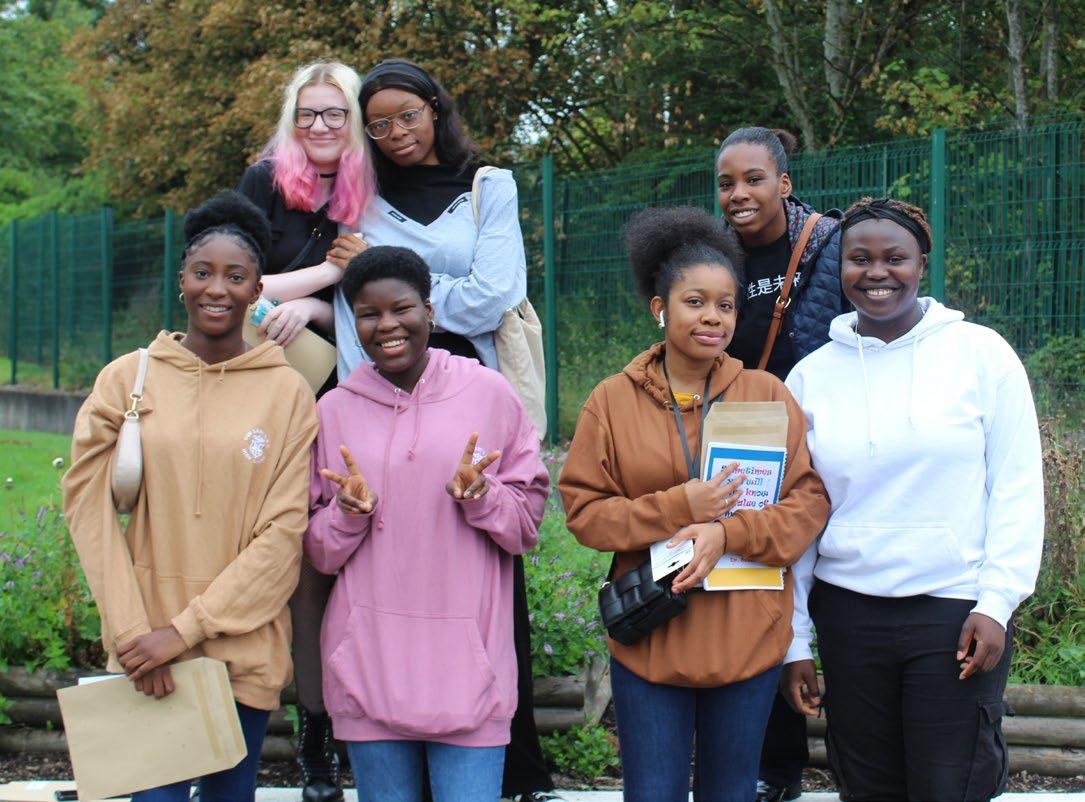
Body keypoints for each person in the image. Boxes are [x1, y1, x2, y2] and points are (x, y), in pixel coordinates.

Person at [329, 59, 559, 802]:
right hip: (383, 399)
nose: (396, 132)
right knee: (387, 565)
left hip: (472, 399)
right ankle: (382, 741)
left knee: (485, 586)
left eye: (408, 114)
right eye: (378, 124)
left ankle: (511, 768)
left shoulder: (489, 185)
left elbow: (497, 293)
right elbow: (355, 308)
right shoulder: (358, 200)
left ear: (435, 108)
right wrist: (361, 389)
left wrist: (391, 277)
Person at [558, 206, 831, 802]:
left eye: (726, 305)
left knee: (730, 792)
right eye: (695, 302)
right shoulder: (611, 401)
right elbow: (585, 513)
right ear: (660, 309)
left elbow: (807, 504)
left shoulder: (765, 394)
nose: (713, 317)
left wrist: (727, 534)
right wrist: (679, 506)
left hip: (747, 633)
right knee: (652, 792)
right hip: (652, 636)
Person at [782, 197, 1044, 802]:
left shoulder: (982, 356)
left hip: (954, 612)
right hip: (848, 613)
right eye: (859, 258)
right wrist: (795, 639)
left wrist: (997, 602)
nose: (877, 272)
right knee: (867, 786)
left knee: (951, 784)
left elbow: (1016, 488)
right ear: (841, 267)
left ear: (922, 263)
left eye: (894, 258)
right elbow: (799, 515)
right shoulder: (810, 377)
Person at [62, 190, 318, 802]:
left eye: (236, 276)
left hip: (244, 649)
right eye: (203, 273)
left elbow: (282, 536)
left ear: (258, 290)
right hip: (146, 653)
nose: (217, 289)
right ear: (182, 280)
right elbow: (87, 510)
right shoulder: (126, 378)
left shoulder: (288, 393)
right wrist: (134, 637)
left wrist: (181, 633)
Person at [306, 245, 548, 802]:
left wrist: (484, 497)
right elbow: (318, 552)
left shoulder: (488, 393)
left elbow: (524, 528)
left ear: (430, 312)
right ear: (353, 324)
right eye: (369, 314)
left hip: (471, 675)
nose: (387, 325)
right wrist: (346, 515)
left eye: (402, 308)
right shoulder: (334, 410)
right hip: (368, 670)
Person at [237, 60, 375, 802]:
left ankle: (339, 731)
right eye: (307, 114)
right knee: (270, 557)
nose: (320, 126)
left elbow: (382, 291)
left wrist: (319, 310)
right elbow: (235, 281)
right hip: (264, 390)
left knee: (339, 563)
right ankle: (289, 732)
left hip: (344, 387)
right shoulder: (265, 184)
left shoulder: (373, 188)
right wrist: (327, 276)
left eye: (334, 113)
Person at [715, 126, 846, 802]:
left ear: (784, 183)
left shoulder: (829, 243)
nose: (738, 194)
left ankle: (857, 751)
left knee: (836, 591)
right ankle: (778, 765)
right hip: (749, 443)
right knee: (757, 594)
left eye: (753, 179)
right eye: (726, 183)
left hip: (830, 440)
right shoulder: (710, 253)